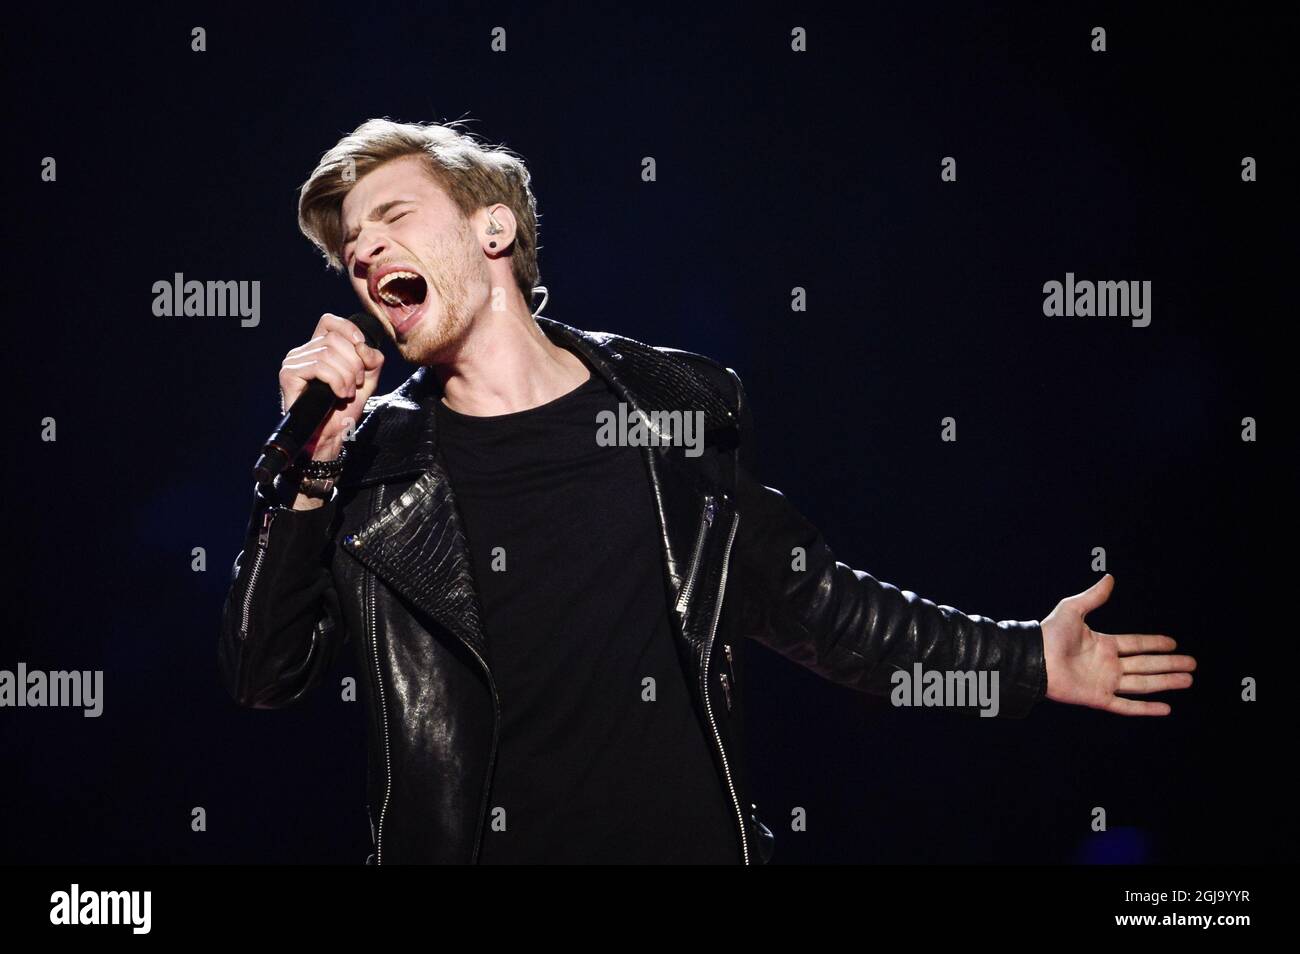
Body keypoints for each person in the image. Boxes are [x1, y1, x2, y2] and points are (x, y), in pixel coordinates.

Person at [218, 118, 1197, 865]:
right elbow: (265, 672)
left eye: (392, 216)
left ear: (493, 228)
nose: (365, 251)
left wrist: (1023, 662)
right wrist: (307, 463)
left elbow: (816, 603)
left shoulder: (672, 411)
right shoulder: (372, 467)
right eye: (351, 248)